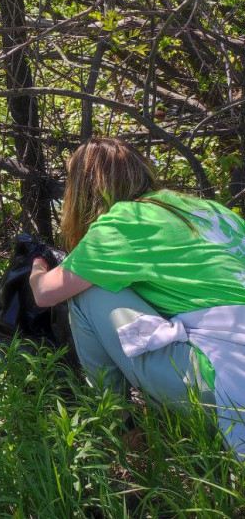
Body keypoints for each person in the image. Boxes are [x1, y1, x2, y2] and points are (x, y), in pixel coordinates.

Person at [29, 137, 245, 459]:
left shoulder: (123, 223)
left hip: (227, 379)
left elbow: (44, 293)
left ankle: (123, 429)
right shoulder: (211, 211)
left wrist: (37, 264)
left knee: (88, 291)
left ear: (87, 189)